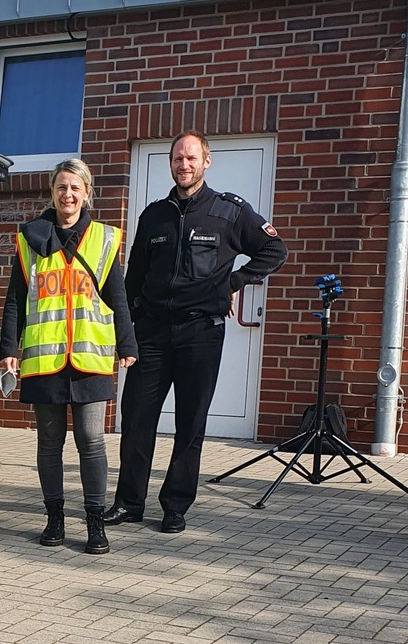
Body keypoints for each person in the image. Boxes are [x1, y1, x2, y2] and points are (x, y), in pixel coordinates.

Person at [105, 130, 287, 533]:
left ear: (206, 161)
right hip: (151, 332)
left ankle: (174, 506)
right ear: (171, 164)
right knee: (136, 419)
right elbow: (134, 278)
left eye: (191, 158)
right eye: (177, 159)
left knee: (190, 422)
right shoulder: (154, 214)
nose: (183, 165)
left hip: (200, 333)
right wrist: (125, 328)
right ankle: (129, 503)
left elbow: (275, 251)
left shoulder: (229, 212)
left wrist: (232, 284)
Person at [0, 159, 137, 554]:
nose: (68, 194)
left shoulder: (104, 240)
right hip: (45, 361)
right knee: (49, 441)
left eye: (75, 188)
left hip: (90, 359)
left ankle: (95, 522)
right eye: (61, 187)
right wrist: (9, 349)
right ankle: (54, 519)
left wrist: (127, 344)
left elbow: (118, 298)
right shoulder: (30, 240)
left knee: (92, 440)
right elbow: (14, 301)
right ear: (53, 192)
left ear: (87, 193)